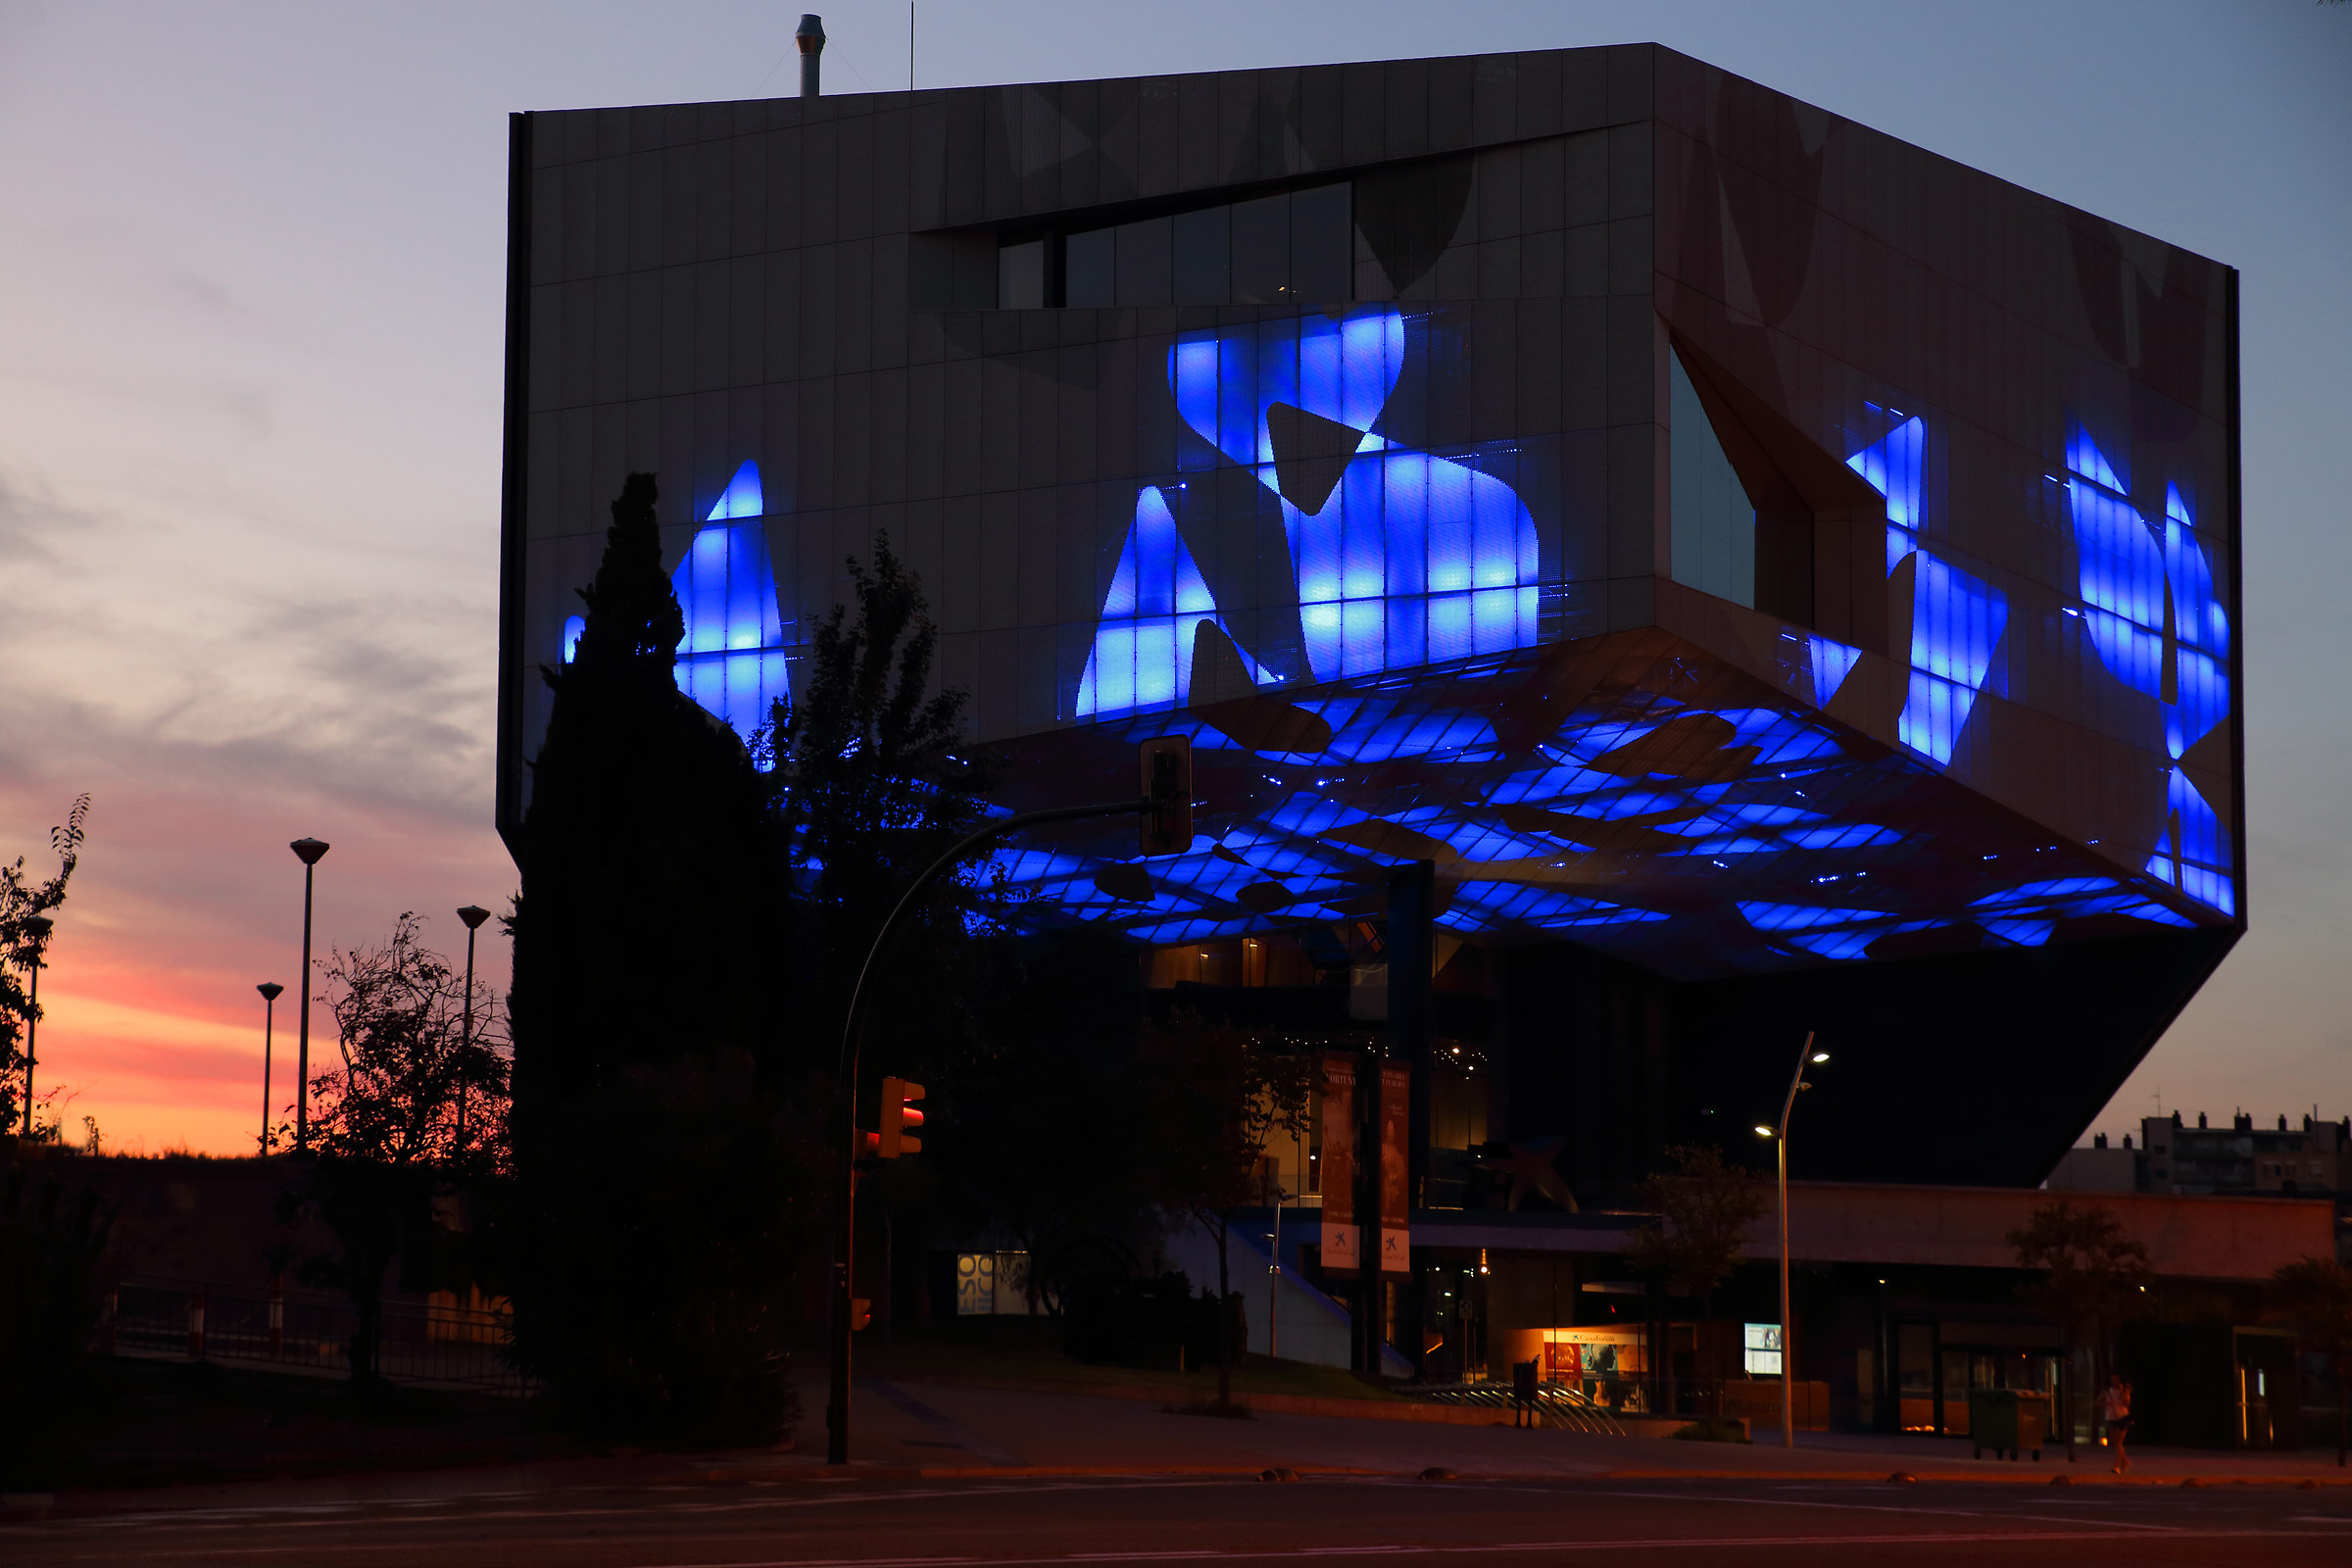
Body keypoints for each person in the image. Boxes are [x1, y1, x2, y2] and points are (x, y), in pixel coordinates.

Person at [2099, 1373, 2133, 1474]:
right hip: (2110, 1417)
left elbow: (2126, 1405)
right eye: (2113, 1379)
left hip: (2122, 1417)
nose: (2115, 1381)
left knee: (2119, 1442)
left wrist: (2125, 1393)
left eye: (2116, 1379)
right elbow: (2099, 1403)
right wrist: (2103, 1397)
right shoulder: (2107, 1391)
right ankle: (2125, 1461)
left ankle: (2116, 1466)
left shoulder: (2123, 1391)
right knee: (2115, 1444)